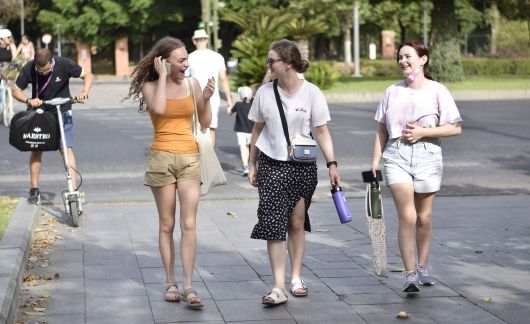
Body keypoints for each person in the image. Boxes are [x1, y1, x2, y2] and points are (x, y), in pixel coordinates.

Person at [247, 39, 340, 305]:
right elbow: (257, 130)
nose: (269, 65)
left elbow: (322, 131)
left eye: (271, 60)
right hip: (271, 164)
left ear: (288, 63)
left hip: (302, 166)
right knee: (274, 224)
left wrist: (332, 164)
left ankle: (296, 277)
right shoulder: (264, 93)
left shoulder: (311, 93)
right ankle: (278, 286)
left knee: (296, 222)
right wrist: (252, 163)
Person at [127, 37, 215, 308]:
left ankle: (188, 285)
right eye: (181, 60)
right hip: (161, 159)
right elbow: (160, 109)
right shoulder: (150, 85)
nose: (186, 64)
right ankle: (171, 282)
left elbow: (205, 121)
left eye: (186, 59)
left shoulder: (193, 84)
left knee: (189, 224)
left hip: (190, 157)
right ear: (164, 63)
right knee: (167, 224)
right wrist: (163, 76)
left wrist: (207, 99)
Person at [370, 40, 462, 294]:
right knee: (407, 217)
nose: (402, 61)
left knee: (424, 217)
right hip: (396, 155)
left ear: (423, 59)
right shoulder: (392, 91)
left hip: (428, 155)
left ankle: (423, 265)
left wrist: (423, 132)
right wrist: (375, 162)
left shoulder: (437, 90)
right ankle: (409, 273)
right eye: (399, 57)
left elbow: (455, 127)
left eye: (408, 56)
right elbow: (381, 128)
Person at [12, 48, 93, 204]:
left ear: (52, 62)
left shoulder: (64, 64)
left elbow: (88, 75)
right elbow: (16, 90)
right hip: (40, 111)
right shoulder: (29, 68)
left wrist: (84, 91)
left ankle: (73, 190)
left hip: (62, 109)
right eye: (40, 70)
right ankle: (34, 189)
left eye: (47, 70)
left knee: (66, 149)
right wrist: (29, 101)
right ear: (35, 64)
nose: (43, 73)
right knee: (37, 149)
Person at [187, 29, 232, 147]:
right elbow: (223, 79)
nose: (201, 41)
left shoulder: (189, 58)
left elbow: (185, 80)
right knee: (211, 128)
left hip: (195, 97)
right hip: (212, 98)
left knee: (196, 128)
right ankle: (209, 158)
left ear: (193, 41)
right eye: (199, 39)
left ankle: (199, 157)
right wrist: (229, 100)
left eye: (201, 39)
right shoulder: (217, 57)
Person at [227, 86, 254, 176]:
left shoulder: (238, 104)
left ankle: (245, 166)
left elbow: (229, 113)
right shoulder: (253, 104)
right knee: (251, 148)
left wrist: (229, 104)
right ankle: (251, 166)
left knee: (243, 148)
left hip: (241, 130)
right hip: (252, 130)